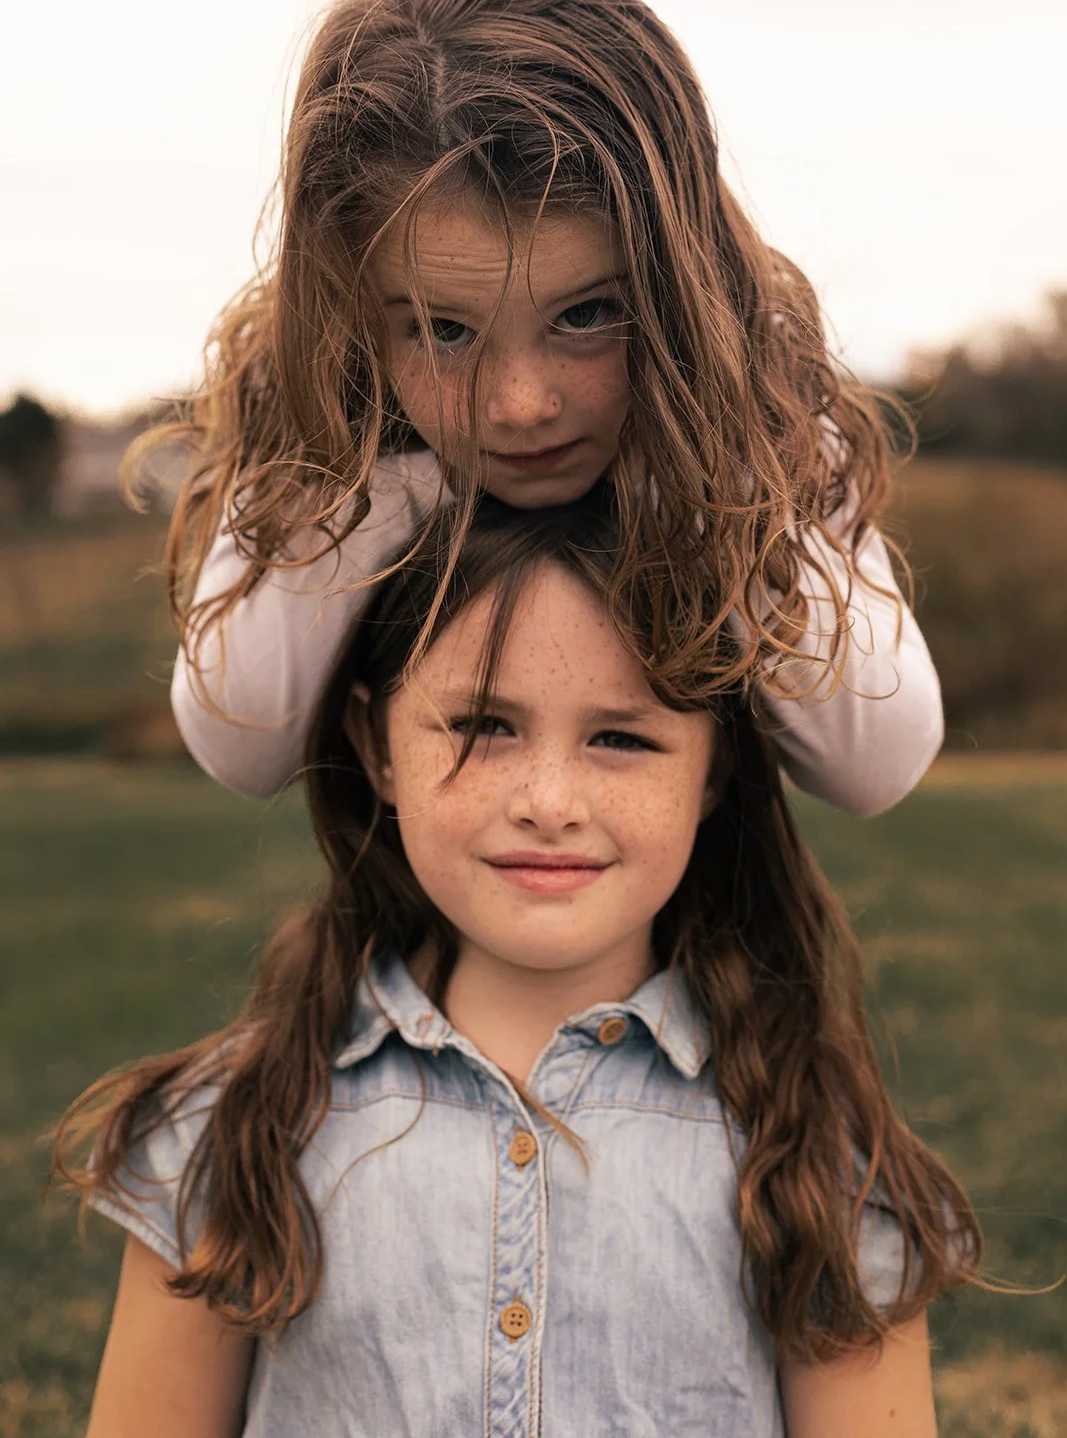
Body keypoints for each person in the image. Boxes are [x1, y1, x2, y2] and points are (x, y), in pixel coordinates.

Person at [55, 496, 978, 1438]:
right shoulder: (232, 1127)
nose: (549, 801)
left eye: (620, 737)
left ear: (711, 773)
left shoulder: (811, 1150)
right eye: (483, 725)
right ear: (376, 745)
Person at [140, 0, 943, 814]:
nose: (520, 405)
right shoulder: (320, 413)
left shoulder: (751, 399)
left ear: (681, 289)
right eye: (443, 331)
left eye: (588, 314)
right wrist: (385, 485)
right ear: (352, 311)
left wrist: (699, 475)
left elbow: (878, 765)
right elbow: (239, 742)